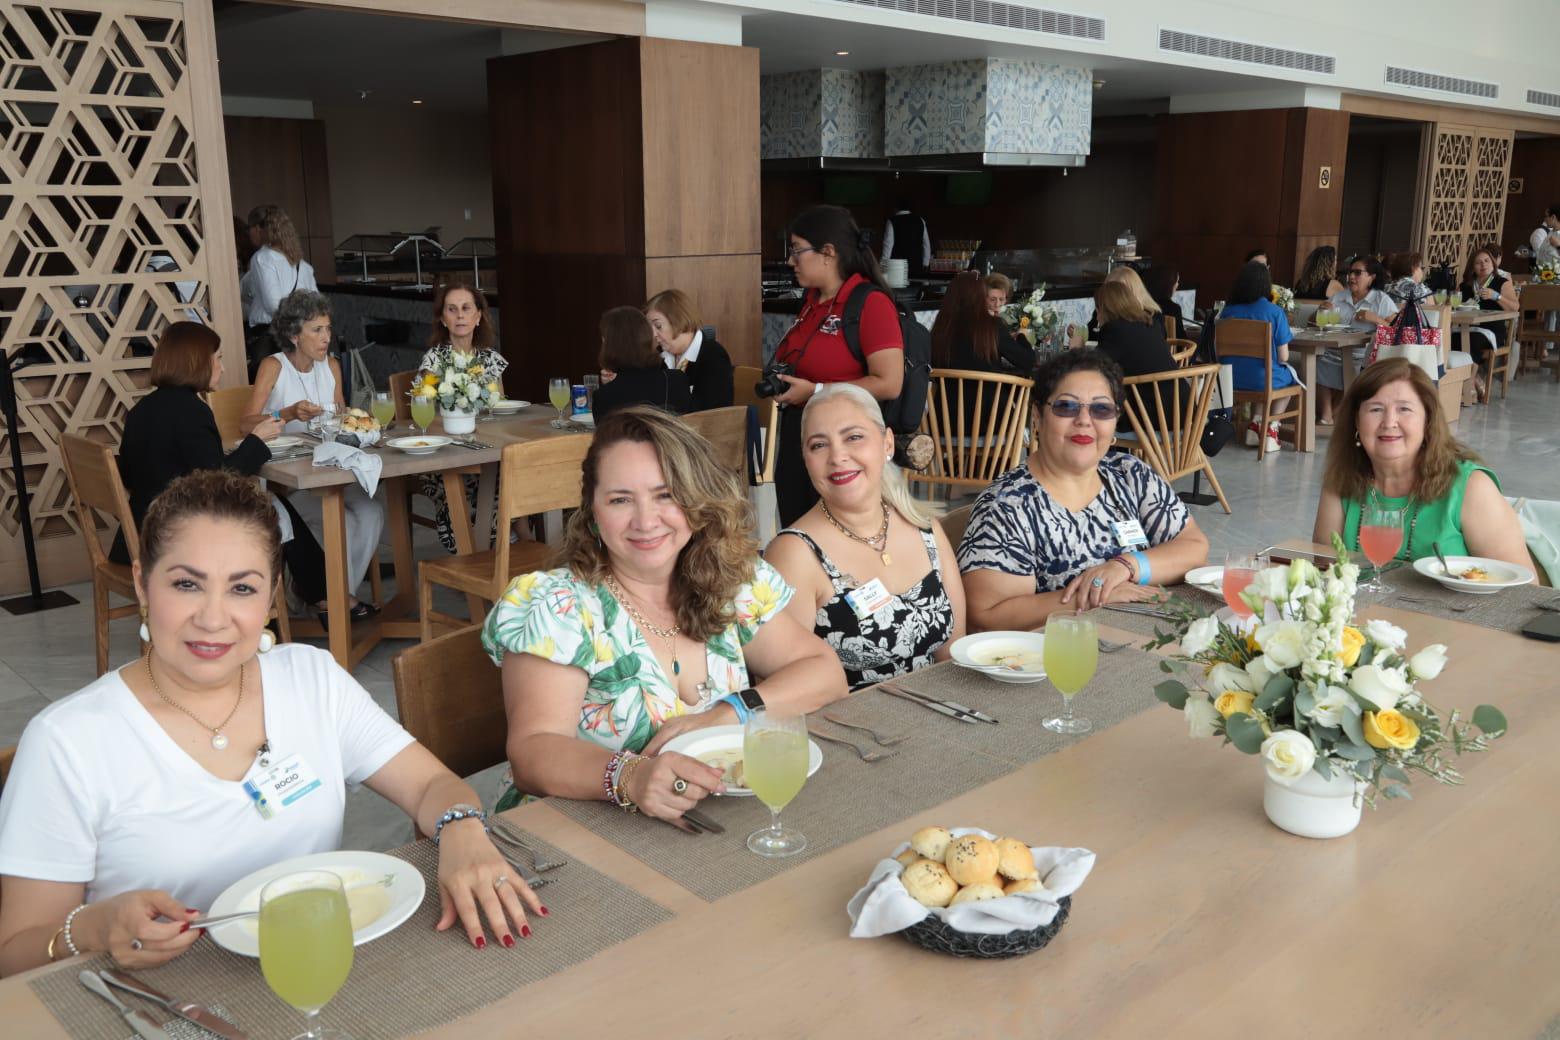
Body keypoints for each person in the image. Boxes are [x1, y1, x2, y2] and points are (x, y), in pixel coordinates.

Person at [0, 471, 543, 976]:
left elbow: (428, 784)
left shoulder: (310, 679)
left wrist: (461, 827)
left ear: (270, 595)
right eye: (186, 584)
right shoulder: (68, 741)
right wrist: (91, 929)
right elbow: (14, 954)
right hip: (157, 1002)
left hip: (316, 969)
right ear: (143, 584)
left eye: (242, 588)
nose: (213, 618)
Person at [482, 407, 847, 822]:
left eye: (665, 495)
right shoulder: (561, 606)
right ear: (594, 513)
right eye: (620, 500)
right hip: (573, 833)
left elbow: (824, 672)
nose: (645, 520)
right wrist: (631, 777)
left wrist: (730, 713)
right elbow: (533, 752)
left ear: (696, 502)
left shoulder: (728, 581)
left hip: (712, 820)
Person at [959, 350, 1208, 631]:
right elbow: (987, 615)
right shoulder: (1007, 505)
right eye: (1066, 406)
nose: (1084, 420)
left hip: (1139, 636)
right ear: (1038, 418)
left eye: (1101, 409)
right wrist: (1091, 597)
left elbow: (1194, 547)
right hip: (1055, 659)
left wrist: (1125, 567)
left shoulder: (1129, 474)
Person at [110, 322, 335, 613]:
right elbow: (220, 482)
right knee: (272, 508)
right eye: (217, 358)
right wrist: (257, 440)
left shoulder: (141, 410)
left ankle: (314, 593)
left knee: (275, 507)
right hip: (179, 536)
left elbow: (131, 475)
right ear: (197, 363)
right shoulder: (192, 411)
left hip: (146, 528)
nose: (223, 368)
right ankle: (316, 597)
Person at [765, 384, 965, 690]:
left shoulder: (924, 528)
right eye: (819, 445)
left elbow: (952, 656)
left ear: (886, 443)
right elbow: (789, 690)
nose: (837, 456)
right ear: (805, 459)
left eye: (853, 437)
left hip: (937, 719)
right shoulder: (794, 554)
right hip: (847, 730)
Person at [1312, 358, 1529, 571]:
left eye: (1404, 409)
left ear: (1427, 421)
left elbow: (1522, 593)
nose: (1389, 422)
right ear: (1356, 421)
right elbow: (1324, 572)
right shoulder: (1342, 480)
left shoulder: (1472, 487)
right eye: (1375, 409)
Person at [247, 291, 385, 619]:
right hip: (289, 481)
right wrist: (288, 413)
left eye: (327, 328)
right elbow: (245, 422)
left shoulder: (332, 366)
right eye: (317, 330)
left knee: (371, 512)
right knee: (345, 522)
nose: (326, 338)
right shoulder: (273, 366)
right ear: (294, 335)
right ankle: (335, 603)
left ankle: (335, 599)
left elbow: (339, 415)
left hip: (330, 470)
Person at [770, 205, 905, 526]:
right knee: (799, 528)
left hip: (844, 442)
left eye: (797, 250)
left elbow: (890, 382)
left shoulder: (869, 303)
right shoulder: (813, 302)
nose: (791, 261)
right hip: (801, 434)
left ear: (828, 253)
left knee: (840, 531)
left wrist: (815, 391)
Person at [416, 281, 506, 553]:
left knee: (513, 472)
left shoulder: (489, 359)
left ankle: (508, 542)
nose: (460, 316)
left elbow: (498, 407)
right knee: (490, 483)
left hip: (485, 449)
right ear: (443, 318)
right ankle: (477, 554)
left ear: (479, 316)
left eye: (466, 308)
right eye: (452, 309)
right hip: (445, 455)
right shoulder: (435, 359)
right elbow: (421, 410)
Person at [1215, 261, 1296, 451]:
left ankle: (1255, 426)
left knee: (1268, 375)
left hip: (1229, 379)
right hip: (1262, 380)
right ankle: (1271, 430)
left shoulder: (1227, 312)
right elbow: (1284, 356)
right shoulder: (1274, 312)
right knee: (1292, 379)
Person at [1317, 256, 1396, 423]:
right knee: (1319, 359)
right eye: (1350, 272)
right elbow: (1316, 322)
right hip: (1335, 348)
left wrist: (1375, 318)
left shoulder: (1381, 300)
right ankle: (1326, 415)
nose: (1351, 277)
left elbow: (1397, 329)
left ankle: (1336, 414)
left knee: (1349, 365)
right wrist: (1320, 310)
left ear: (1372, 277)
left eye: (1358, 273)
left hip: (1363, 354)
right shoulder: (1339, 297)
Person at [240, 205, 317, 364]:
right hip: (300, 335)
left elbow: (273, 304)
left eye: (250, 228)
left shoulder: (262, 258)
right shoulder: (299, 262)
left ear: (257, 229)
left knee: (269, 386)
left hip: (271, 337)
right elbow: (315, 302)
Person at [591, 307, 692, 422]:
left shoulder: (604, 397)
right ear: (647, 337)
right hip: (671, 440)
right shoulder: (678, 380)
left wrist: (610, 386)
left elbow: (606, 438)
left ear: (609, 344)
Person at [930, 271, 1036, 375]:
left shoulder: (940, 327)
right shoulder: (991, 326)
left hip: (947, 392)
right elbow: (1028, 361)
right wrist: (1021, 336)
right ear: (979, 296)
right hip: (988, 392)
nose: (997, 303)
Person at [646, 289, 733, 413]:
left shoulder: (713, 356)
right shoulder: (659, 355)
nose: (653, 334)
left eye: (658, 326)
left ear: (679, 321)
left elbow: (707, 412)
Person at [1457, 246, 1519, 403]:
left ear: (1493, 263)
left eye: (1486, 261)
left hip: (1492, 330)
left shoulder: (1501, 282)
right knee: (1453, 339)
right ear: (1472, 267)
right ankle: (1472, 380)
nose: (1483, 265)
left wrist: (1496, 296)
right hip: (1466, 326)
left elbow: (1515, 307)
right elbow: (1455, 305)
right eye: (1478, 263)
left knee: (1472, 340)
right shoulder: (1465, 285)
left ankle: (1468, 385)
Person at [881, 200, 931, 278]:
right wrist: (925, 264)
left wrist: (883, 268)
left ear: (895, 208)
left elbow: (887, 246)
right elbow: (926, 245)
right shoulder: (920, 220)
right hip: (916, 267)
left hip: (897, 268)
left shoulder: (892, 221)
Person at [1143, 266, 1186, 341]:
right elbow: (1181, 338)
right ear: (1169, 284)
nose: (1177, 285)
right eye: (1176, 281)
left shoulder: (1146, 304)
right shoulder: (1174, 308)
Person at [1529, 203, 1560, 269]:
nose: (1545, 219)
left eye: (1546, 216)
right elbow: (1541, 255)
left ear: (1553, 217)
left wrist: (1558, 246)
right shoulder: (1550, 233)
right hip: (1543, 274)